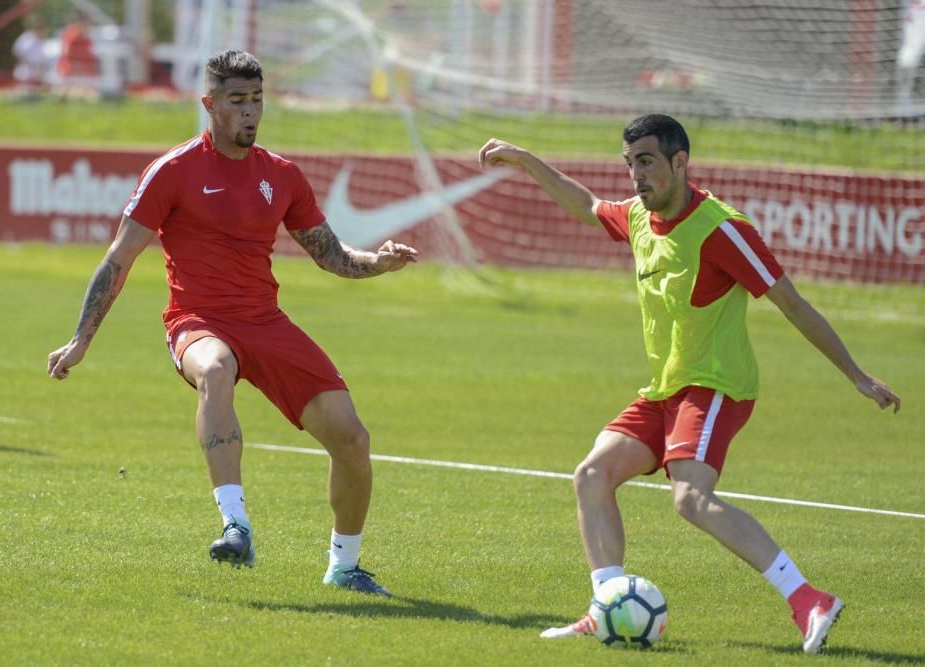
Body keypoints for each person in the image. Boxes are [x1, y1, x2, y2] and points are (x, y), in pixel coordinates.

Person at [478, 115, 901, 654]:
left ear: (680, 163)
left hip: (716, 386)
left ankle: (808, 599)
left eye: (647, 162)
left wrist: (858, 376)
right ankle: (608, 604)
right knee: (591, 475)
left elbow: (792, 304)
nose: (636, 176)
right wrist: (523, 158)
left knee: (691, 499)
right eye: (630, 164)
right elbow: (585, 204)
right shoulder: (637, 217)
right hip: (665, 389)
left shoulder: (722, 229)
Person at [47, 49, 417, 596]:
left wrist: (377, 263)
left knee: (353, 440)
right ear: (209, 104)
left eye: (257, 100)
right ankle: (235, 524)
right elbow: (118, 260)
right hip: (196, 320)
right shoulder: (172, 171)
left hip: (265, 322)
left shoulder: (282, 176)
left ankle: (345, 566)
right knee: (215, 370)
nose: (250, 112)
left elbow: (330, 254)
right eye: (237, 101)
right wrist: (81, 339)